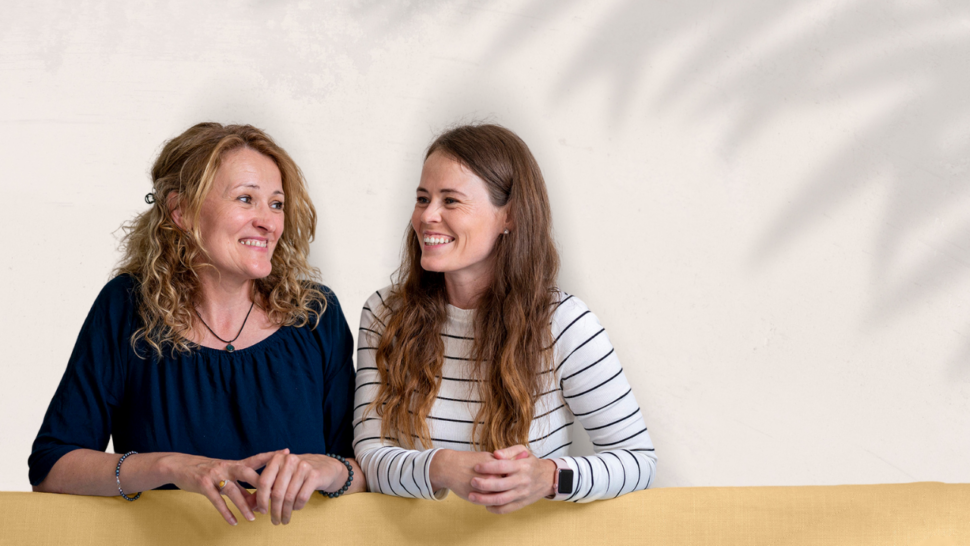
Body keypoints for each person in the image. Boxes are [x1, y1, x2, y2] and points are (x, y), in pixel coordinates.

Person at [29, 122, 364, 526]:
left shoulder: (315, 315)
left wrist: (332, 470)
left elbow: (364, 468)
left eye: (276, 204)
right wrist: (169, 466)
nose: (269, 222)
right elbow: (51, 468)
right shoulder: (127, 307)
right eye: (246, 199)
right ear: (181, 211)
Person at [353, 124, 656, 514]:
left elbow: (638, 461)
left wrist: (548, 477)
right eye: (423, 198)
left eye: (450, 201)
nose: (427, 216)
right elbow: (368, 456)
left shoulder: (564, 324)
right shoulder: (384, 314)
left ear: (508, 216)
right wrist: (442, 467)